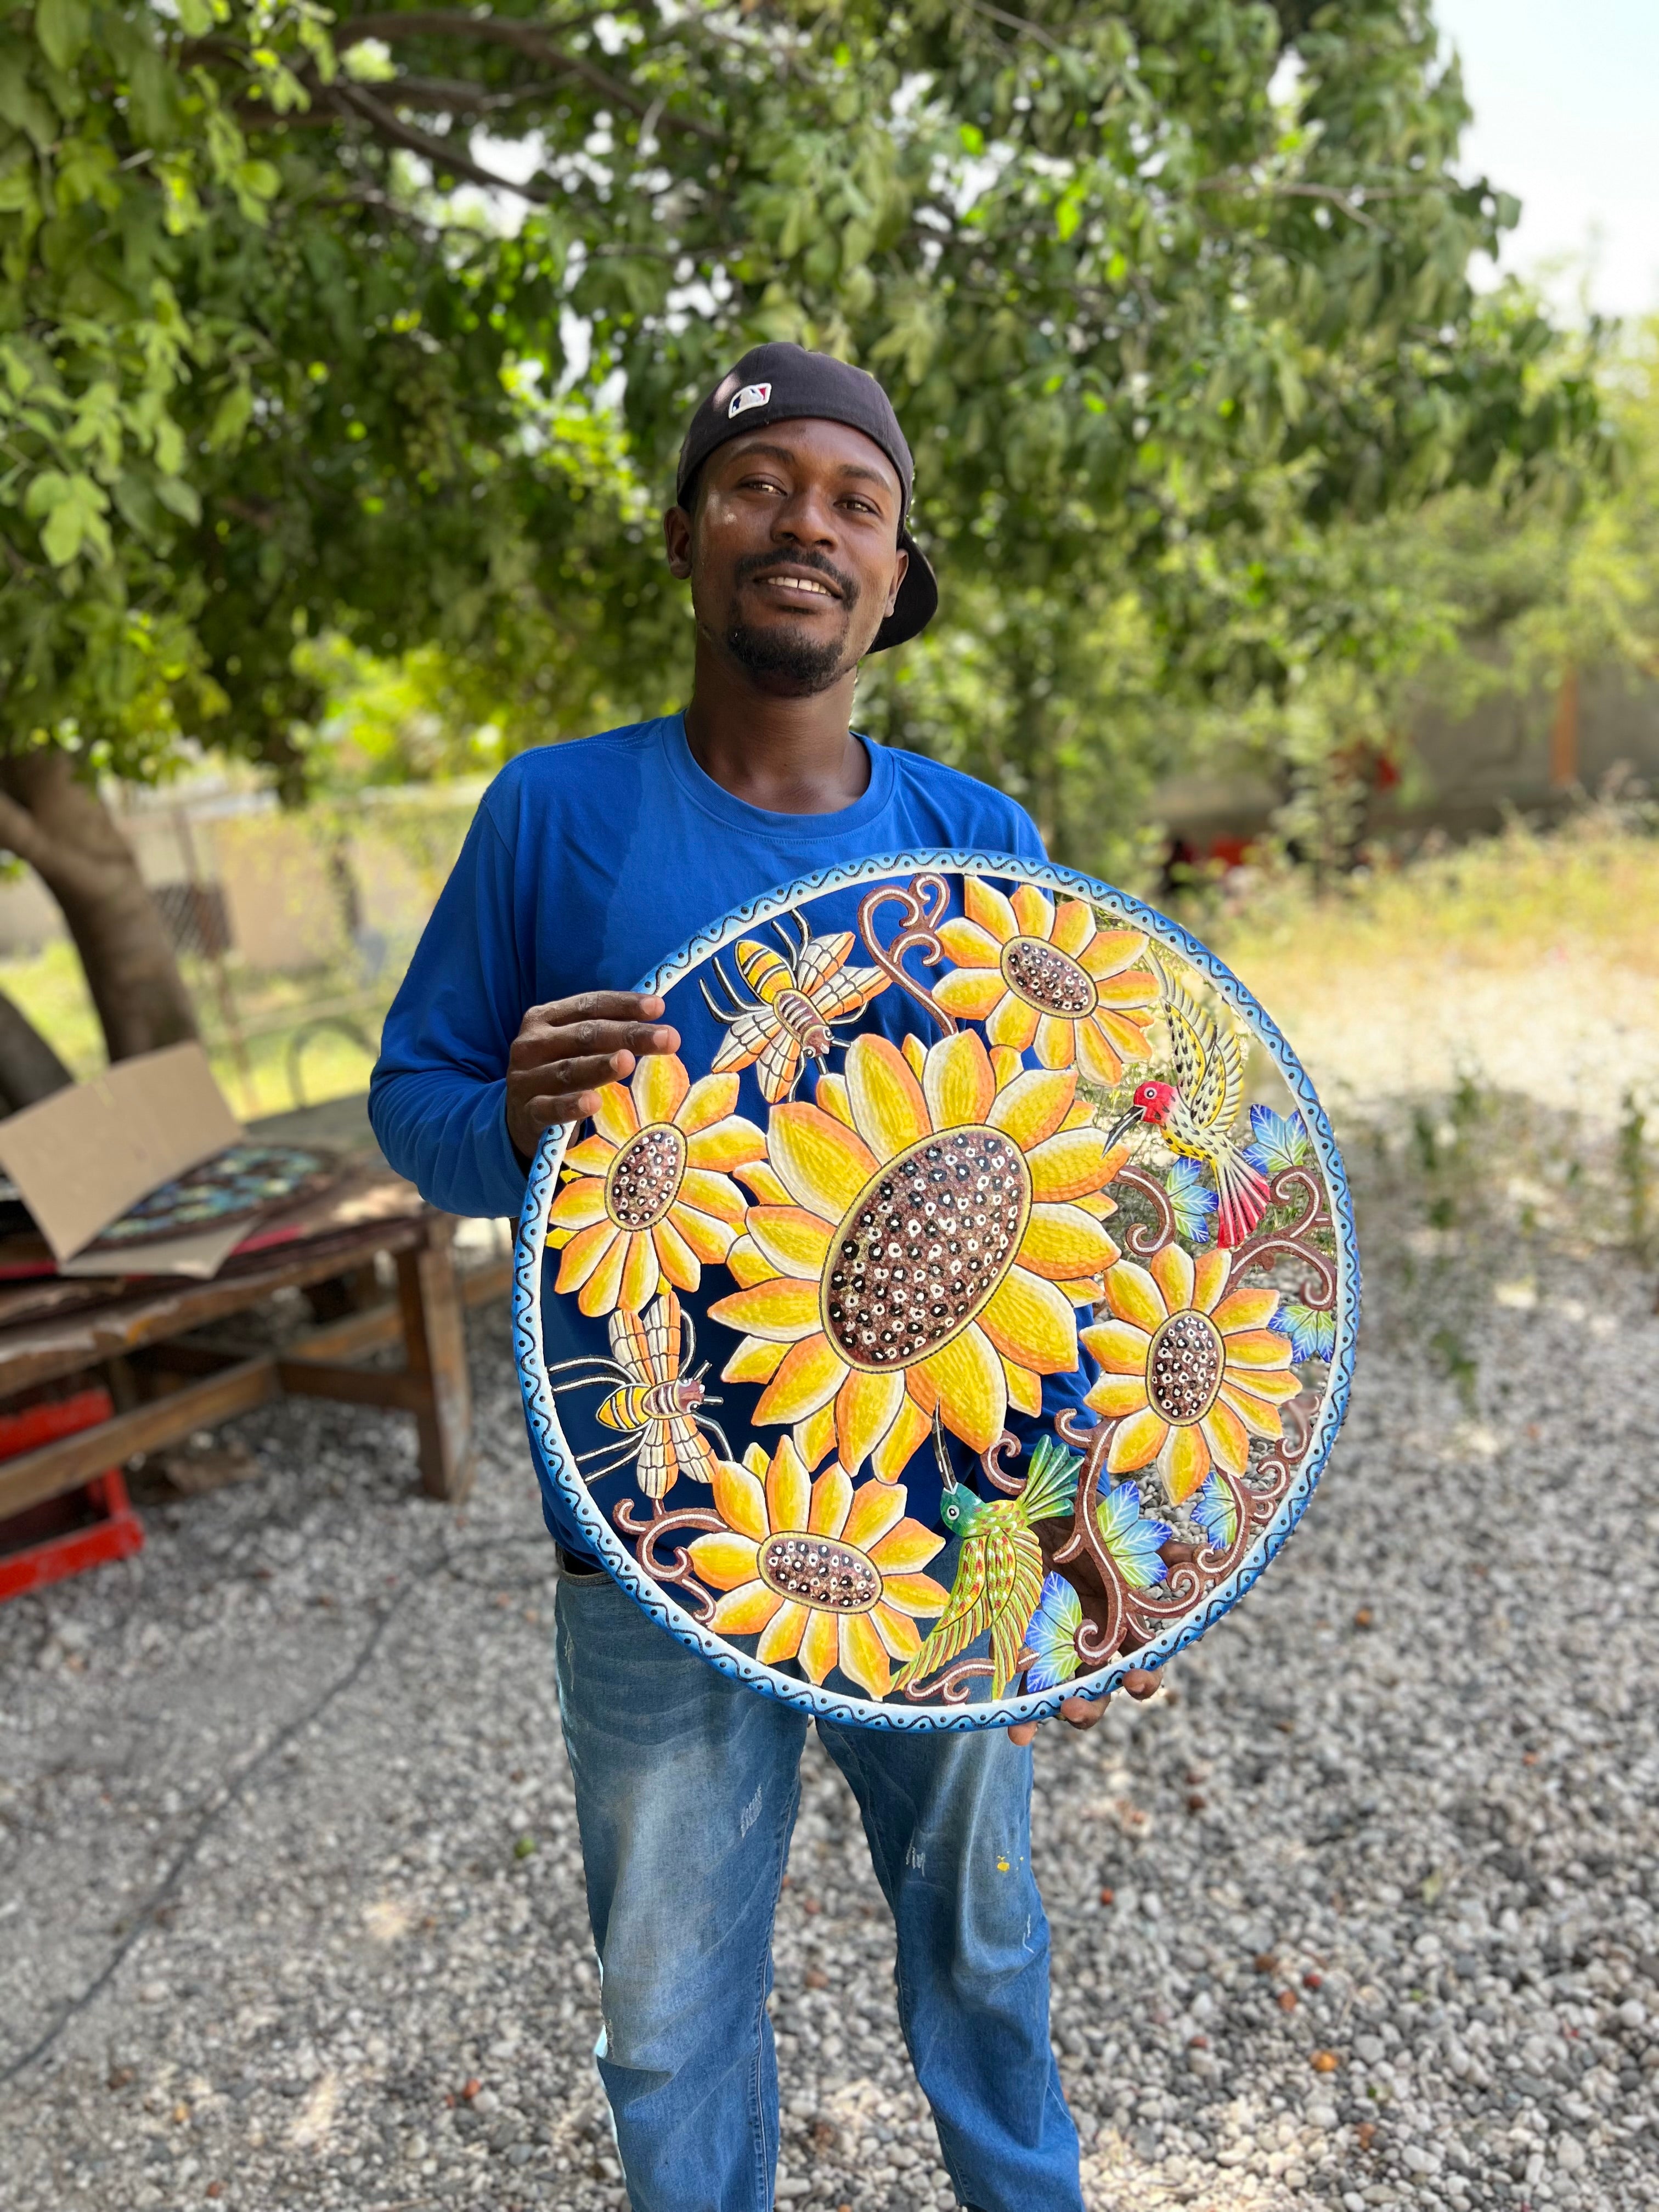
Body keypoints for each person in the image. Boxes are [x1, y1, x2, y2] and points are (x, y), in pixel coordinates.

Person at [370, 343, 1158, 2212]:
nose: (805, 521)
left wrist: (1077, 1507)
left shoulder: (977, 842)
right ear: (684, 536)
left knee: (982, 1959)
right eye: (758, 485)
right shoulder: (551, 816)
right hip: (648, 1527)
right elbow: (416, 1102)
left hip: (947, 1517)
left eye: (852, 501)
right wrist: (516, 1120)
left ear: (896, 576)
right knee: (666, 2011)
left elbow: (1064, 1201)